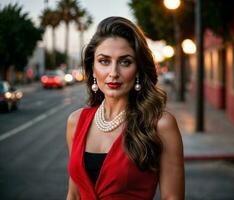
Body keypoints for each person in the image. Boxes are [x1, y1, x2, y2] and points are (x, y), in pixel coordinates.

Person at [66, 16, 184, 200]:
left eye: (125, 62)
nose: (113, 73)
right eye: (104, 61)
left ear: (138, 69)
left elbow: (172, 197)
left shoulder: (161, 125)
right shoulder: (76, 122)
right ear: (93, 67)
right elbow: (73, 194)